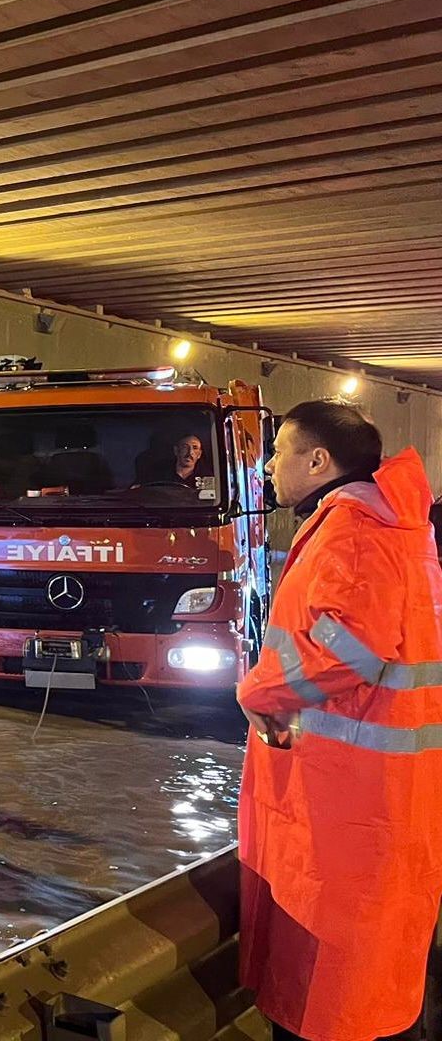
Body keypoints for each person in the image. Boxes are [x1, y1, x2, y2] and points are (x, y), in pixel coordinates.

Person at [237, 399, 442, 1041]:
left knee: (330, 992)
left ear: (318, 460)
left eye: (279, 452)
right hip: (380, 789)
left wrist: (259, 690)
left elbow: (348, 648)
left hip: (338, 801)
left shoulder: (353, 531)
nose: (268, 465)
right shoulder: (398, 527)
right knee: (371, 974)